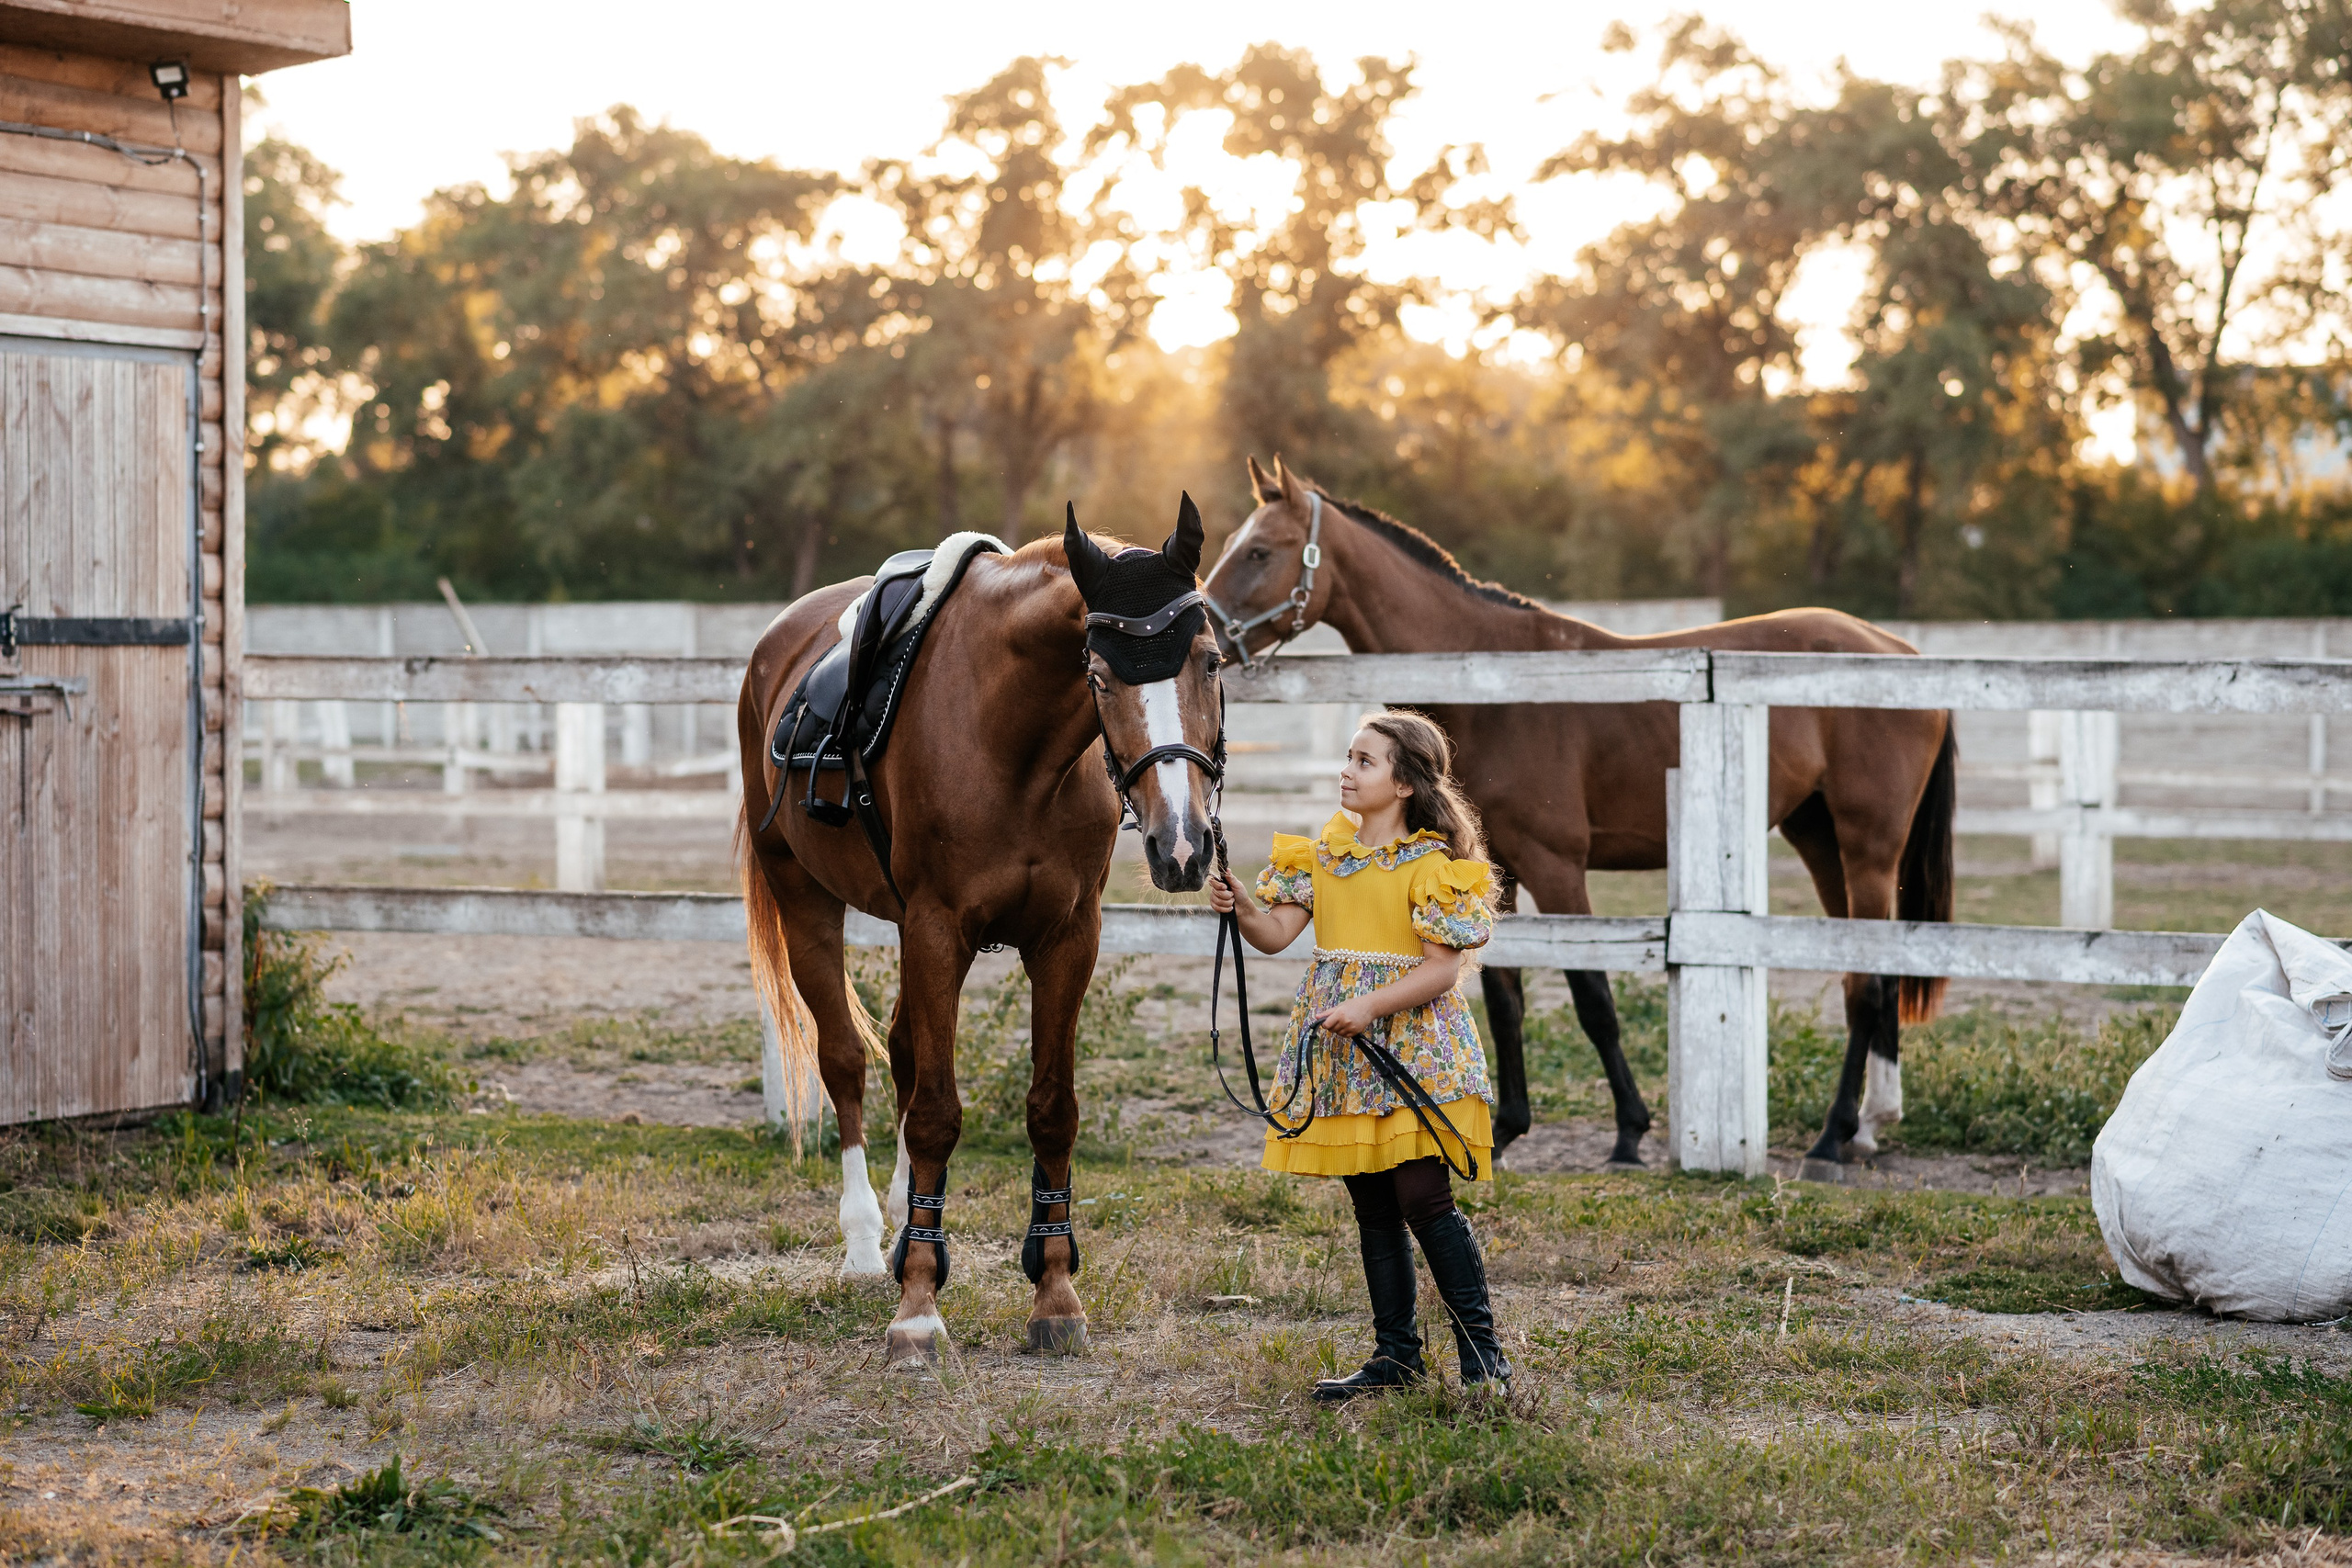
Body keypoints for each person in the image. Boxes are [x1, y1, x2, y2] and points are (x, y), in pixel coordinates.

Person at [1207, 710, 1510, 1399]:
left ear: (1403, 783)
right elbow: (1277, 933)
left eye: (1364, 761)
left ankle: (1484, 1358)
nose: (1347, 770)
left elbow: (1442, 967)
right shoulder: (1327, 852)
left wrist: (1371, 1005)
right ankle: (1396, 1355)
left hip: (1411, 1047)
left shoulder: (1432, 865)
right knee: (1372, 1203)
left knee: (1424, 1196)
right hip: (1343, 1050)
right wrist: (1240, 906)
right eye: (1348, 756)